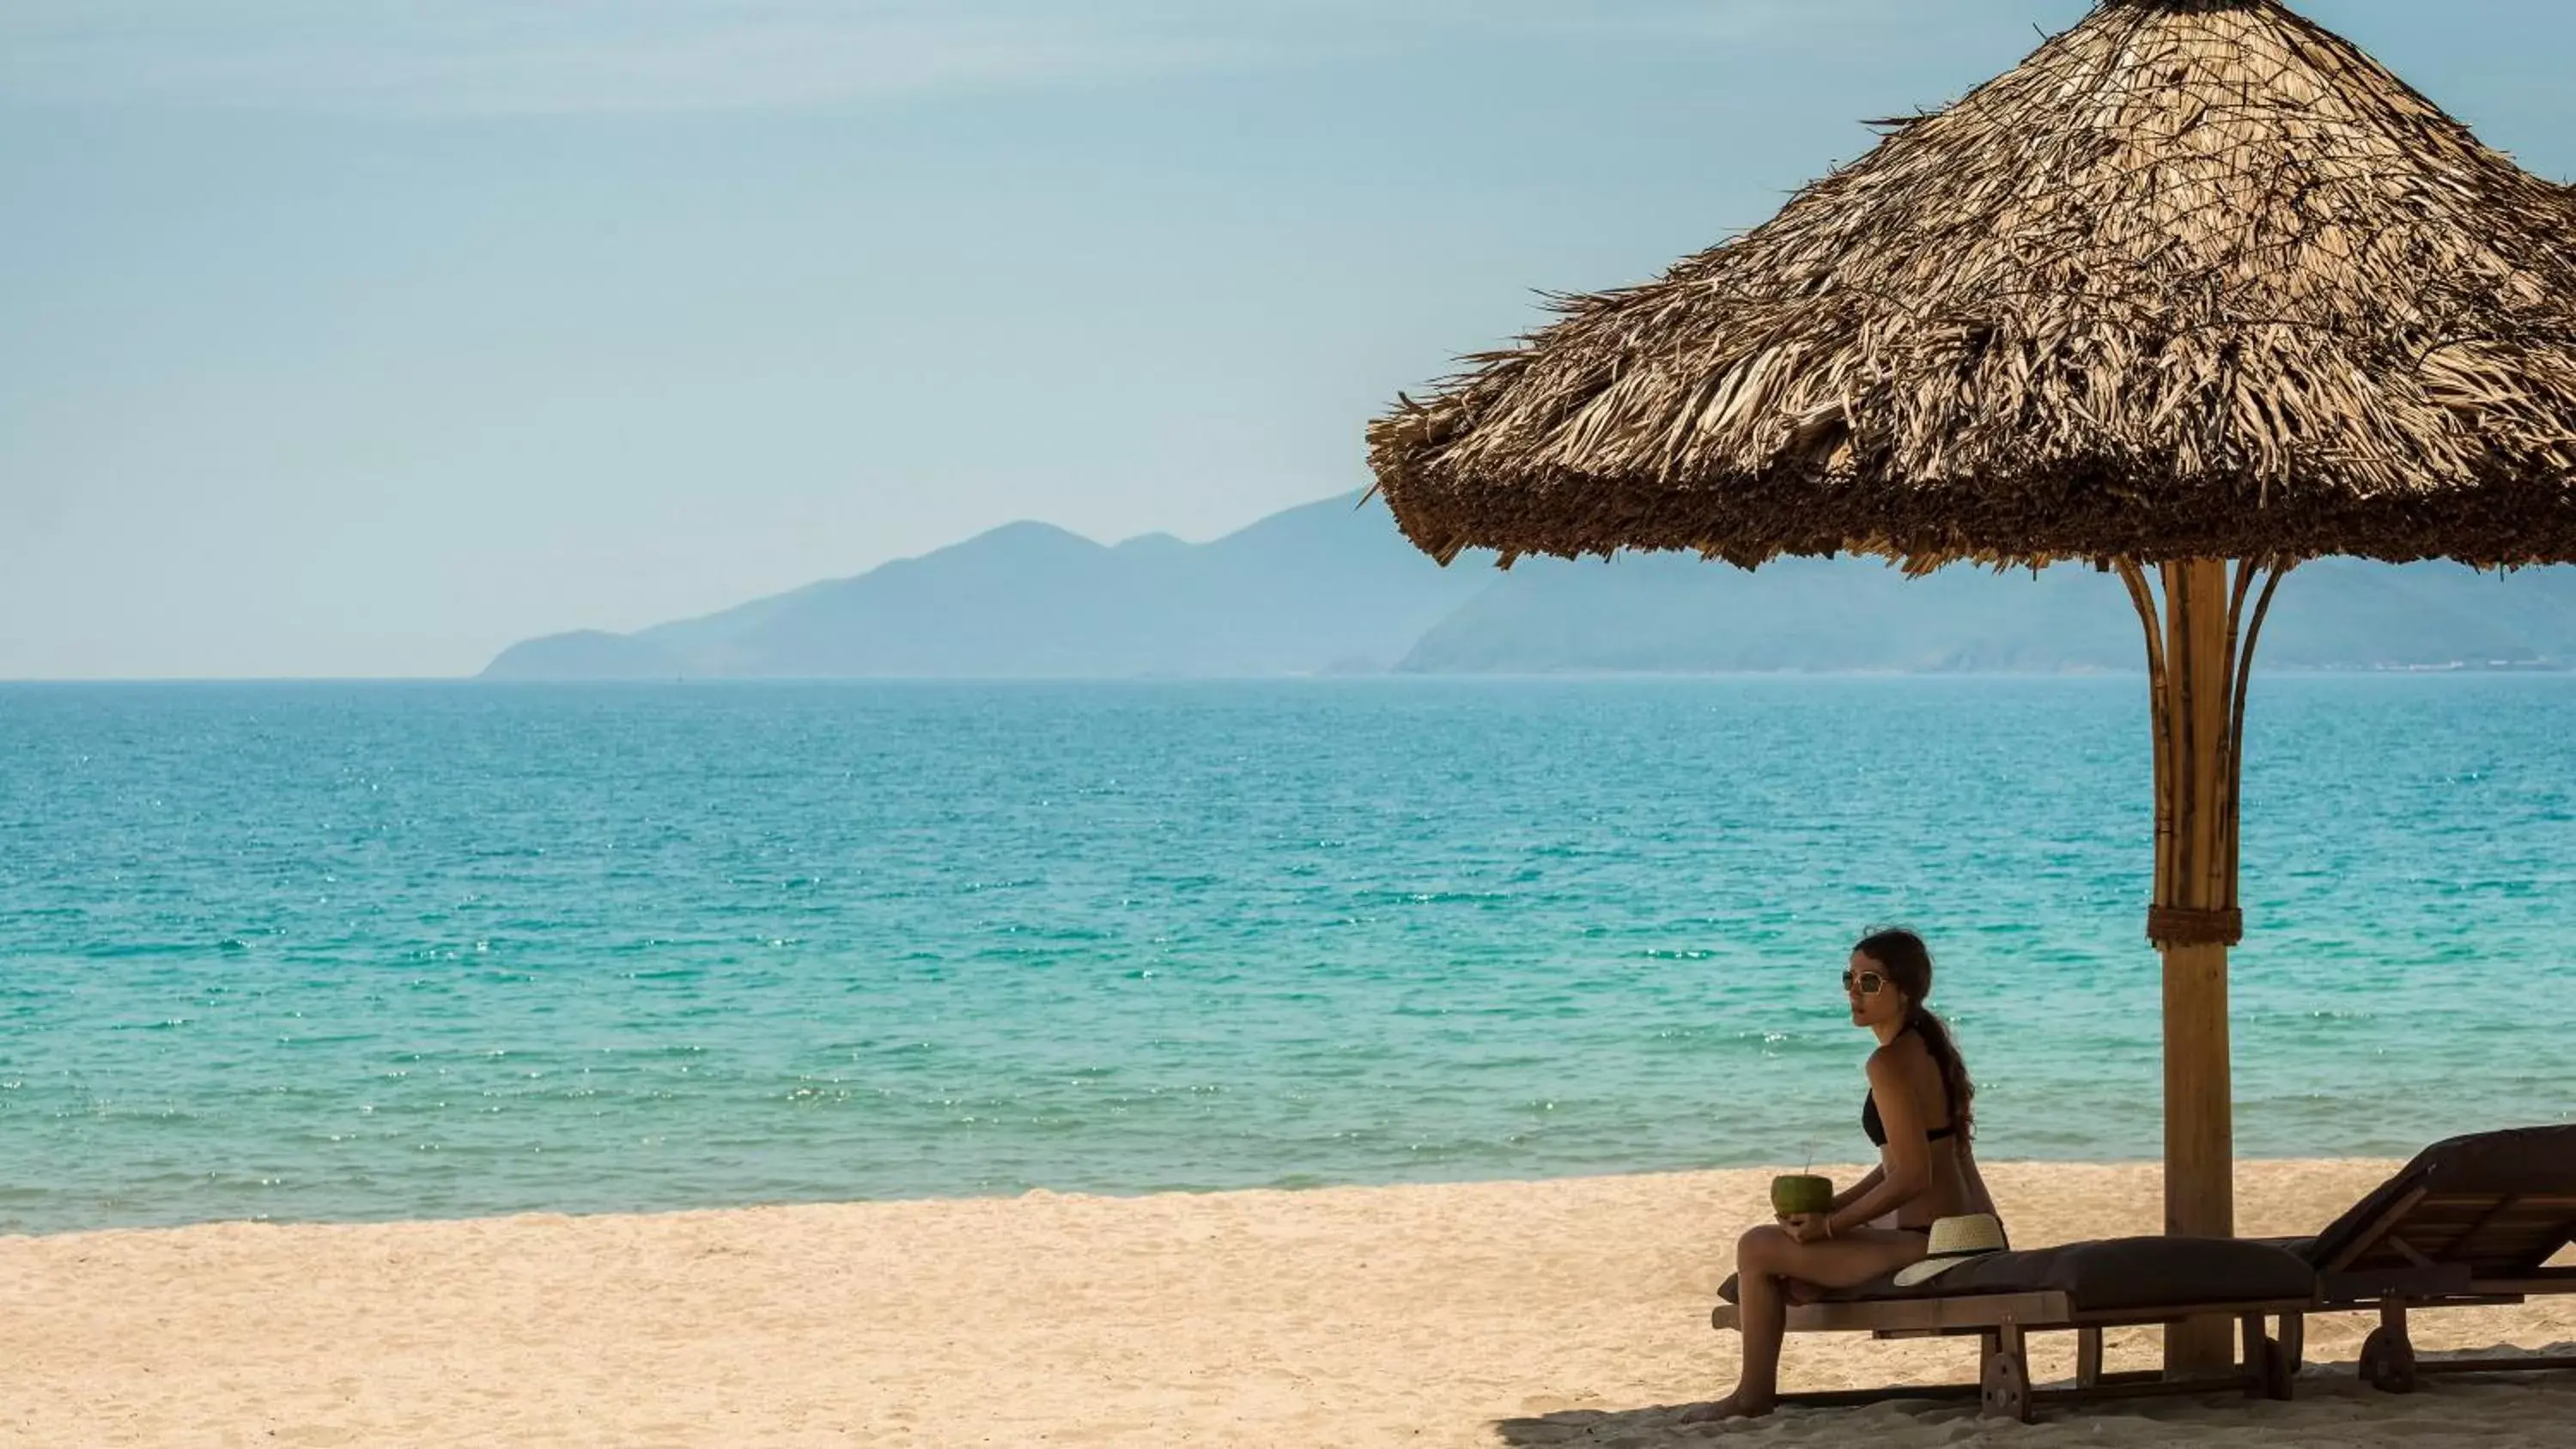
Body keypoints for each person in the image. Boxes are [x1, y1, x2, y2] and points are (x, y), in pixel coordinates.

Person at [1682, 928, 1999, 1422]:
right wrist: (1836, 1207)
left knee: (1756, 1247)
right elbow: (1905, 1161)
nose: (1854, 990)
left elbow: (1913, 1176)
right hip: (1959, 1232)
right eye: (1849, 978)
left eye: (1870, 981)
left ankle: (1753, 1394)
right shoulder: (1927, 1045)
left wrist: (1833, 1226)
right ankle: (1802, 1285)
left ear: (1905, 990)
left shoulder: (1889, 1062)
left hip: (1929, 1243)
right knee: (1796, 1260)